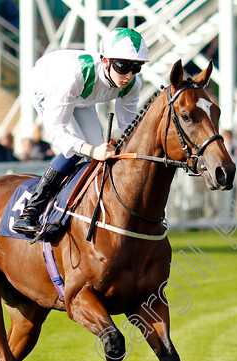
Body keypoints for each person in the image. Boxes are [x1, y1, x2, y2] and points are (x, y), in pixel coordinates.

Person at [12, 27, 148, 235]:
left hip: (82, 99)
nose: (129, 75)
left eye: (136, 68)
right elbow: (56, 130)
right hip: (47, 84)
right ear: (106, 61)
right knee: (78, 149)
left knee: (98, 159)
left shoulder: (132, 85)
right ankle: (30, 211)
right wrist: (93, 150)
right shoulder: (75, 76)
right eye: (123, 66)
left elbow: (130, 126)